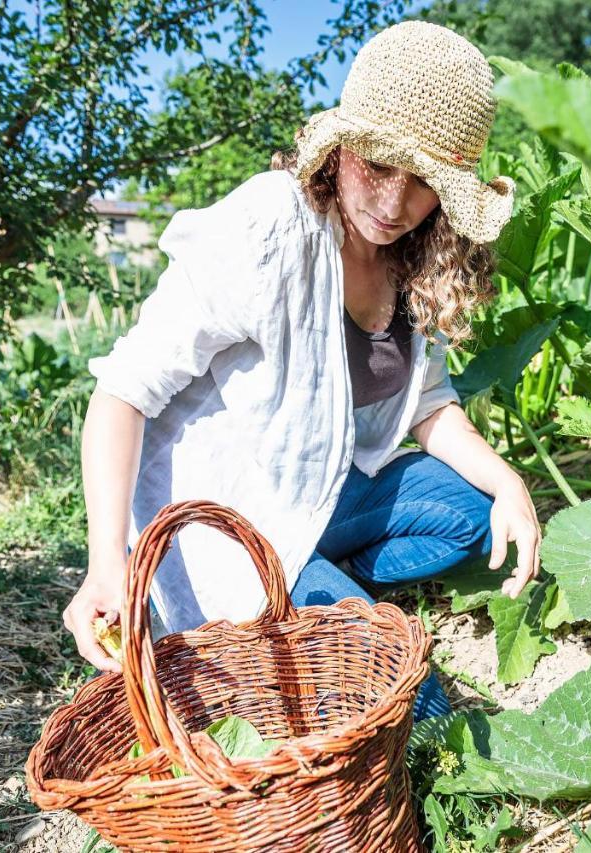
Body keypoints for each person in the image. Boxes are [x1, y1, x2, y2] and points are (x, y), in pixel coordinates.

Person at [62, 20, 541, 721]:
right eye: (376, 166)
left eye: (424, 184)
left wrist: (511, 484)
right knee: (420, 708)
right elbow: (123, 393)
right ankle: (297, 594)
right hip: (222, 517)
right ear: (338, 149)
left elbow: (427, 405)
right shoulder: (271, 229)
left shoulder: (412, 258)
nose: (392, 203)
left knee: (473, 516)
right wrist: (106, 557)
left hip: (317, 486)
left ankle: (325, 583)